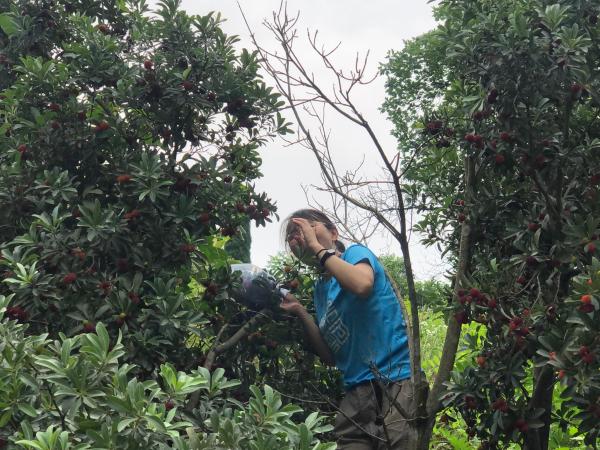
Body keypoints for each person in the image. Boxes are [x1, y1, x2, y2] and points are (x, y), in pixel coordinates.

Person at [279, 208, 413, 450]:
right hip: (356, 393)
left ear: (334, 233)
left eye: (307, 227)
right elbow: (331, 356)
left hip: (396, 379)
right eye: (292, 235)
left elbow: (362, 285)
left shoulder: (355, 254)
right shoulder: (320, 290)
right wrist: (300, 310)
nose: (299, 235)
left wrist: (317, 247)